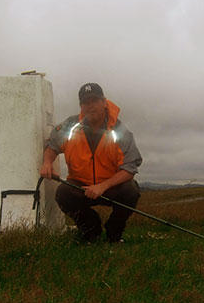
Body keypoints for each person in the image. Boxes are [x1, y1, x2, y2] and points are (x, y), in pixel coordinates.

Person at [40, 83, 142, 243]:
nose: (90, 106)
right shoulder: (69, 126)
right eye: (86, 102)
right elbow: (52, 146)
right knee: (63, 194)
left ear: (104, 102)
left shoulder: (120, 130)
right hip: (80, 185)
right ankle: (91, 230)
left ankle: (114, 233)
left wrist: (102, 186)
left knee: (131, 191)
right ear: (81, 106)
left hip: (110, 187)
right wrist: (47, 163)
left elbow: (130, 168)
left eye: (94, 100)